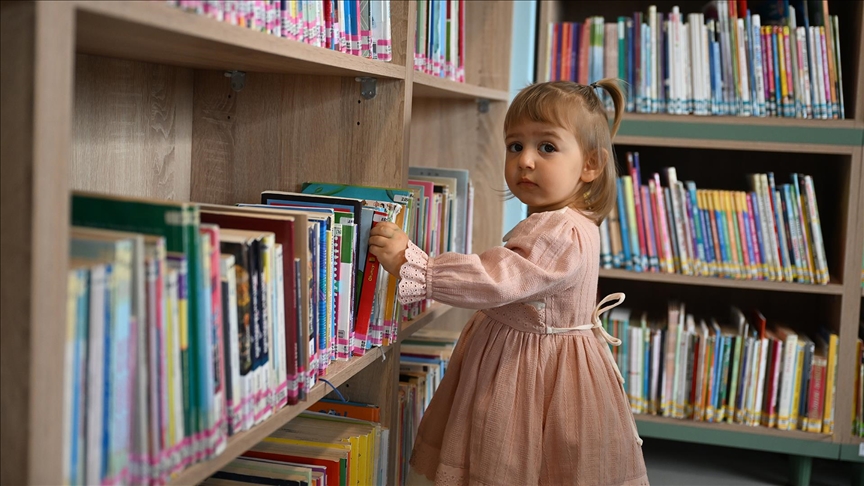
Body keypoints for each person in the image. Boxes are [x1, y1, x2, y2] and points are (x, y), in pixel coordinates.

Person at [368, 79, 649, 486]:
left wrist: (415, 265)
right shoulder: (571, 222)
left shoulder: (559, 231)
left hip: (529, 372)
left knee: (512, 461)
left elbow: (497, 279)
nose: (525, 161)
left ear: (591, 165)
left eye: (547, 147)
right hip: (529, 360)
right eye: (515, 146)